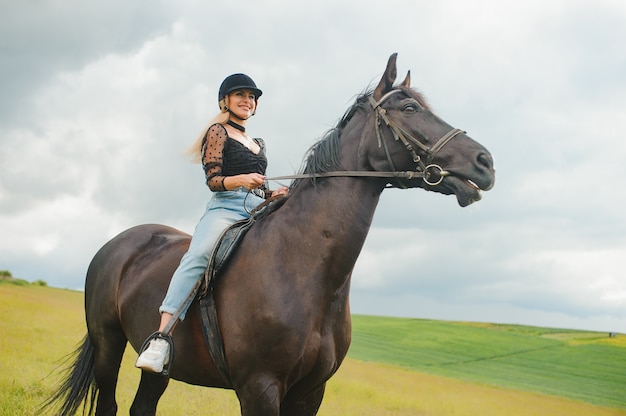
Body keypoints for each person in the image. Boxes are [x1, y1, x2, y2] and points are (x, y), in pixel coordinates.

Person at [135, 73, 288, 373]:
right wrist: (241, 180)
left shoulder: (257, 143)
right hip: (226, 208)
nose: (247, 100)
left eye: (252, 97)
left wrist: (274, 193)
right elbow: (214, 181)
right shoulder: (218, 132)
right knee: (200, 254)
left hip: (258, 207)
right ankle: (160, 339)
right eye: (240, 95)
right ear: (226, 101)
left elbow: (258, 187)